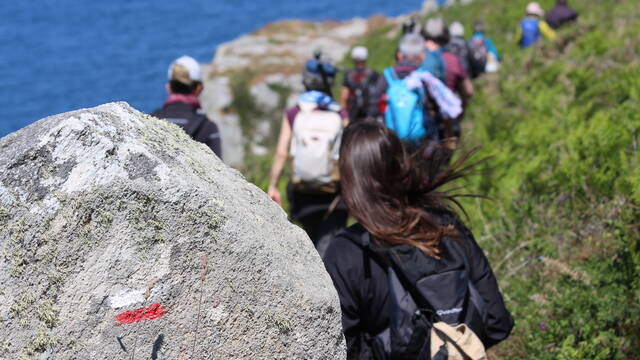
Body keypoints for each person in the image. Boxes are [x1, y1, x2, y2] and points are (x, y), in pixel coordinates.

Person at [323, 121, 514, 359]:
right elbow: (498, 322)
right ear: (401, 164)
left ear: (350, 179)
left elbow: (343, 348)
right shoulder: (445, 224)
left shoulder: (346, 253)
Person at [267, 56, 348, 258]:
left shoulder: (294, 113)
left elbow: (281, 153)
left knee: (309, 251)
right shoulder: (340, 114)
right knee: (330, 253)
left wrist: (273, 185)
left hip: (303, 195)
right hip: (334, 197)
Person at [151, 56, 222, 158]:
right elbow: (218, 168)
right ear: (199, 88)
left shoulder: (152, 119)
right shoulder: (208, 127)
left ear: (168, 87)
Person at [339, 46, 379, 125]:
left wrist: (344, 114)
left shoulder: (348, 74)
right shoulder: (372, 73)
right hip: (370, 112)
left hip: (353, 113)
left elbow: (344, 96)